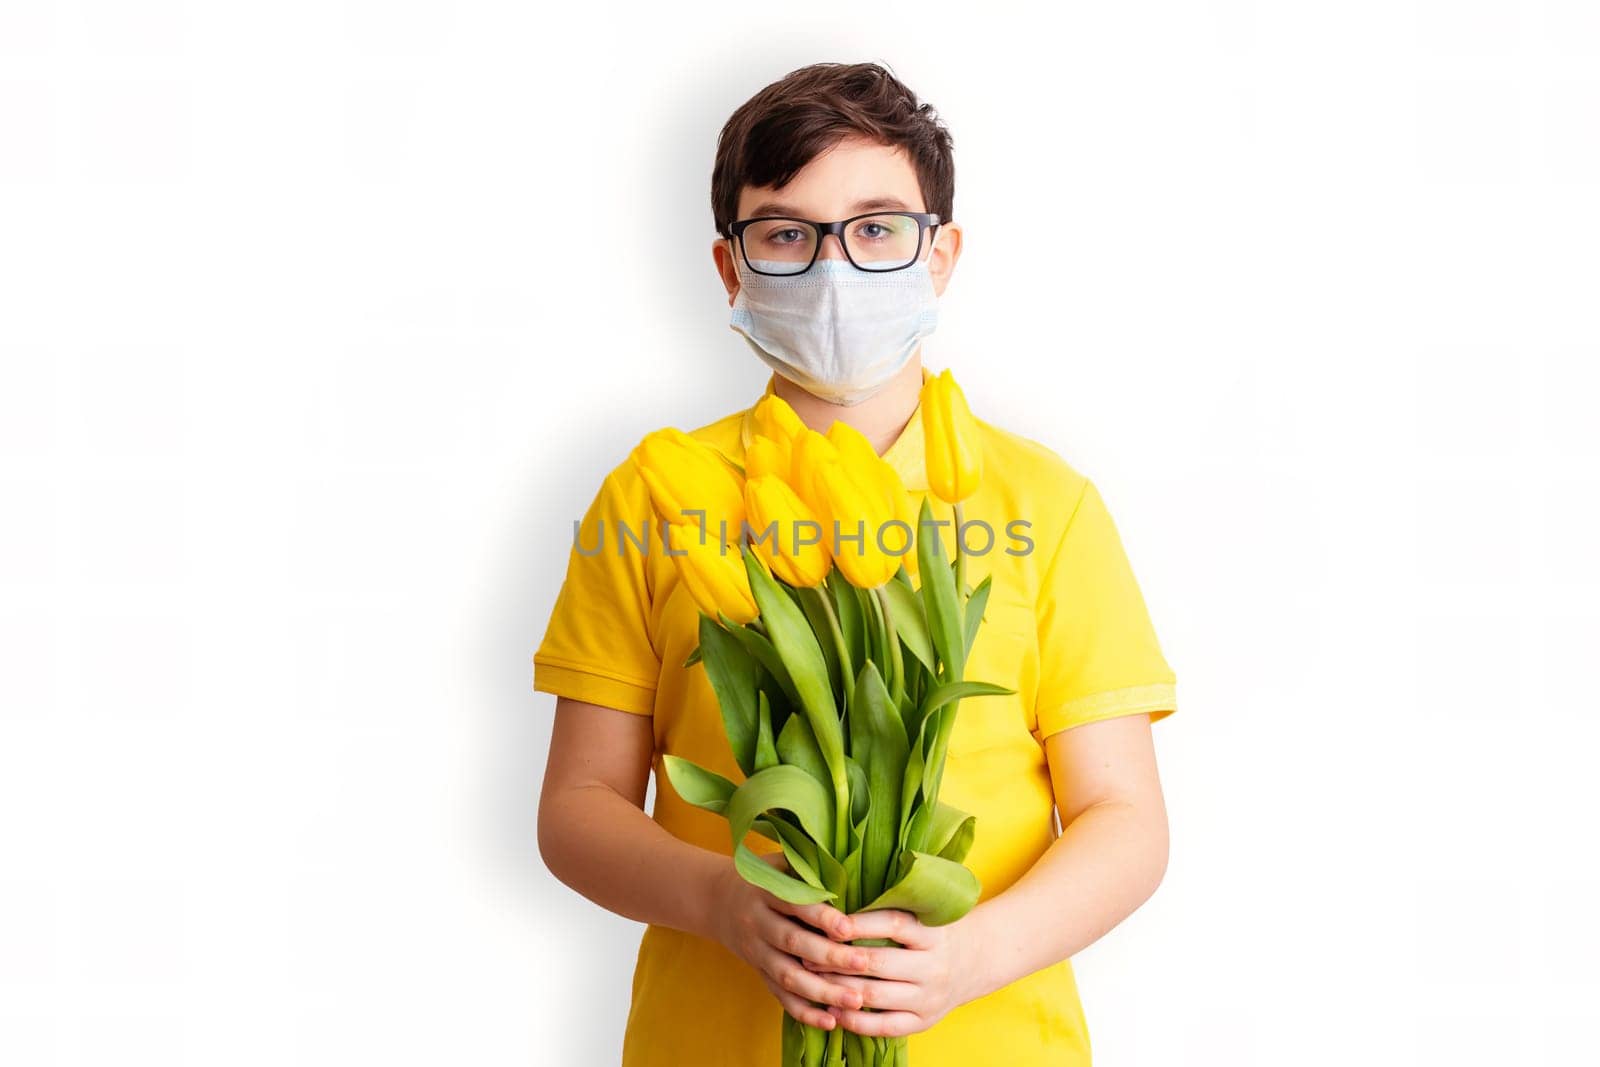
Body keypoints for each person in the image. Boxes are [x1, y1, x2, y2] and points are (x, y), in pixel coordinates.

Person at [533, 61, 1179, 1066]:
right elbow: (577, 806)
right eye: (786, 232)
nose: (834, 267)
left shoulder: (1040, 505)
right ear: (729, 266)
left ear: (940, 252)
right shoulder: (655, 496)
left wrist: (971, 953)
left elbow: (1123, 815)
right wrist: (719, 901)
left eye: (877, 227)